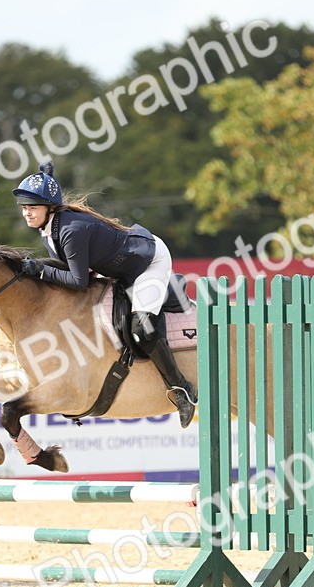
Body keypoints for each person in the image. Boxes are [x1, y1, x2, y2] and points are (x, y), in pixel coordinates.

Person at [12, 162, 196, 427]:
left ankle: (181, 389)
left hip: (149, 262)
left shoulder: (69, 230)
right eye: (24, 208)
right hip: (122, 267)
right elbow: (75, 274)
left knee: (142, 329)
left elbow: (77, 280)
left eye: (32, 207)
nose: (26, 213)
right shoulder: (48, 230)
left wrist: (39, 271)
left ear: (49, 207)